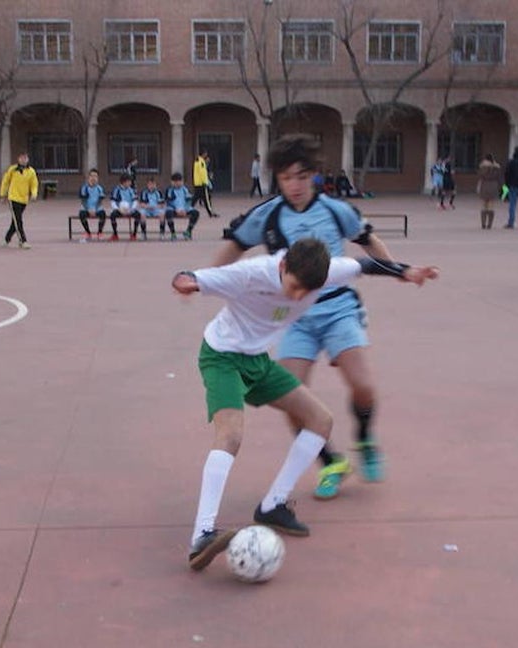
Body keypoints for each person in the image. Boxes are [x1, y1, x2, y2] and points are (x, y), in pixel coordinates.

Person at [172, 237, 438, 569]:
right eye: (295, 286)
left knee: (320, 420)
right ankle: (202, 535)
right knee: (231, 435)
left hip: (258, 361)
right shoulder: (251, 273)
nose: (297, 297)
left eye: (306, 291)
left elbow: (367, 264)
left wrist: (407, 271)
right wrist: (184, 283)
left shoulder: (327, 273)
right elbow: (191, 277)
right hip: (223, 358)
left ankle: (273, 505)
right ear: (282, 267)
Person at [215, 134, 437, 502]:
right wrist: (210, 282)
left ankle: (364, 439)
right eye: (287, 178)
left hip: (338, 309)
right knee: (289, 398)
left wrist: (402, 270)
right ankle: (331, 462)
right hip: (294, 315)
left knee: (363, 385)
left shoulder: (335, 209)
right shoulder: (267, 215)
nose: (295, 185)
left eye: (302, 176)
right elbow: (234, 247)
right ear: (278, 179)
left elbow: (368, 242)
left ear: (315, 175)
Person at [0, 152, 38, 249]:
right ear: (18, 159)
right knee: (18, 220)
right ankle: (23, 241)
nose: (23, 160)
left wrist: (34, 194)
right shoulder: (12, 170)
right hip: (13, 198)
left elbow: (34, 184)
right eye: (21, 158)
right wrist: (3, 194)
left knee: (15, 221)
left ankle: (7, 239)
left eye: (25, 158)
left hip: (24, 199)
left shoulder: (31, 171)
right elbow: (5, 182)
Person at [164, 172, 200, 240]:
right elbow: (168, 202)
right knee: (168, 212)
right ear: (172, 182)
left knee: (196, 213)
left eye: (180, 181)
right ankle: (173, 233)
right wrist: (176, 209)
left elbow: (188, 201)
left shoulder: (184, 189)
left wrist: (185, 210)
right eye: (176, 181)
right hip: (174, 209)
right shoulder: (169, 190)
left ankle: (188, 231)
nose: (179, 183)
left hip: (184, 209)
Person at [77, 168, 107, 242]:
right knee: (81, 214)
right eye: (92, 176)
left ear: (98, 178)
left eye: (95, 176)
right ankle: (88, 232)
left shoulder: (100, 188)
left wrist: (95, 209)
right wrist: (89, 209)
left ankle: (100, 232)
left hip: (97, 208)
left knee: (103, 214)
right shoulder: (84, 188)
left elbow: (100, 201)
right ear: (88, 177)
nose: (93, 178)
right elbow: (83, 201)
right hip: (86, 208)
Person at [109, 173, 141, 241]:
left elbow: (135, 201)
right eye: (129, 181)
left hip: (129, 209)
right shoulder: (116, 189)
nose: (130, 183)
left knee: (138, 214)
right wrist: (118, 209)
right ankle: (115, 234)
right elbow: (113, 201)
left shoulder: (131, 190)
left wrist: (131, 209)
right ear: (124, 182)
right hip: (119, 210)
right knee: (112, 215)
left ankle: (134, 234)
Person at [476, 153, 503, 229]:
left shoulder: (482, 167)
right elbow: (499, 178)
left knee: (483, 206)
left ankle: (483, 224)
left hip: (484, 187)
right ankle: (490, 224)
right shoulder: (497, 167)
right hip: (493, 187)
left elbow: (479, 176)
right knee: (491, 206)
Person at [191, 150, 218, 217]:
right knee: (206, 199)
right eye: (205, 154)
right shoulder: (201, 162)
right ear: (203, 154)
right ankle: (210, 212)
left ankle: (188, 209)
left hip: (197, 183)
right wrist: (205, 182)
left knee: (195, 198)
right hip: (202, 183)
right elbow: (202, 173)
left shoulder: (197, 161)